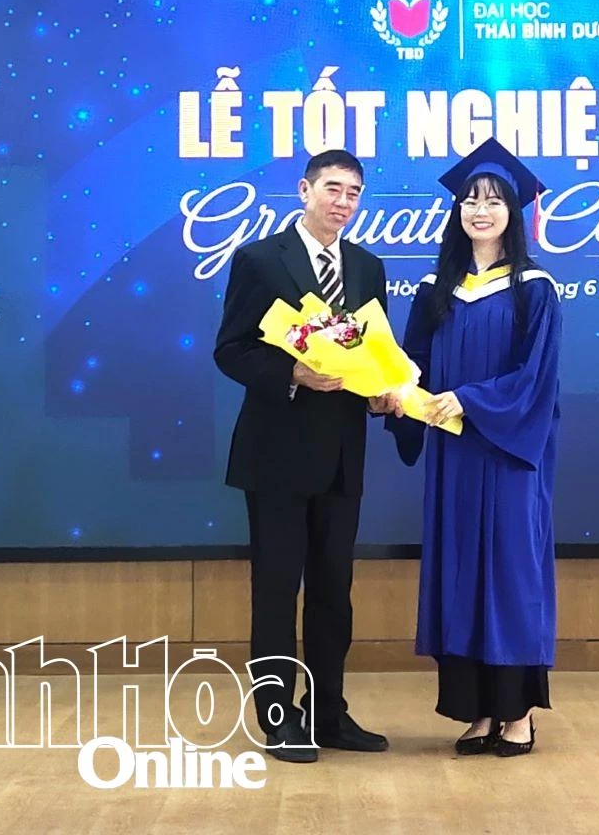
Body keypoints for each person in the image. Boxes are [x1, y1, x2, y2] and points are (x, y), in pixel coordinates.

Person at [213, 148, 400, 764]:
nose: (343, 202)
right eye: (333, 189)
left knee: (332, 592)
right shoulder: (260, 259)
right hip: (275, 455)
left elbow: (375, 355)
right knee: (275, 592)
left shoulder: (368, 268)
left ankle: (327, 713)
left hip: (343, 456)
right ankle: (277, 718)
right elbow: (231, 349)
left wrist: (382, 394)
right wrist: (292, 372)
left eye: (354, 193)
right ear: (304, 190)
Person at [387, 138, 562, 757]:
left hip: (508, 454)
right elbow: (412, 365)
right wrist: (391, 394)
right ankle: (480, 711)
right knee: (462, 573)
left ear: (513, 213)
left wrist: (469, 400)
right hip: (454, 456)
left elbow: (535, 380)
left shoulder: (534, 289)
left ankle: (518, 714)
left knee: (509, 574)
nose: (480, 210)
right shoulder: (436, 288)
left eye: (493, 200)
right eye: (470, 199)